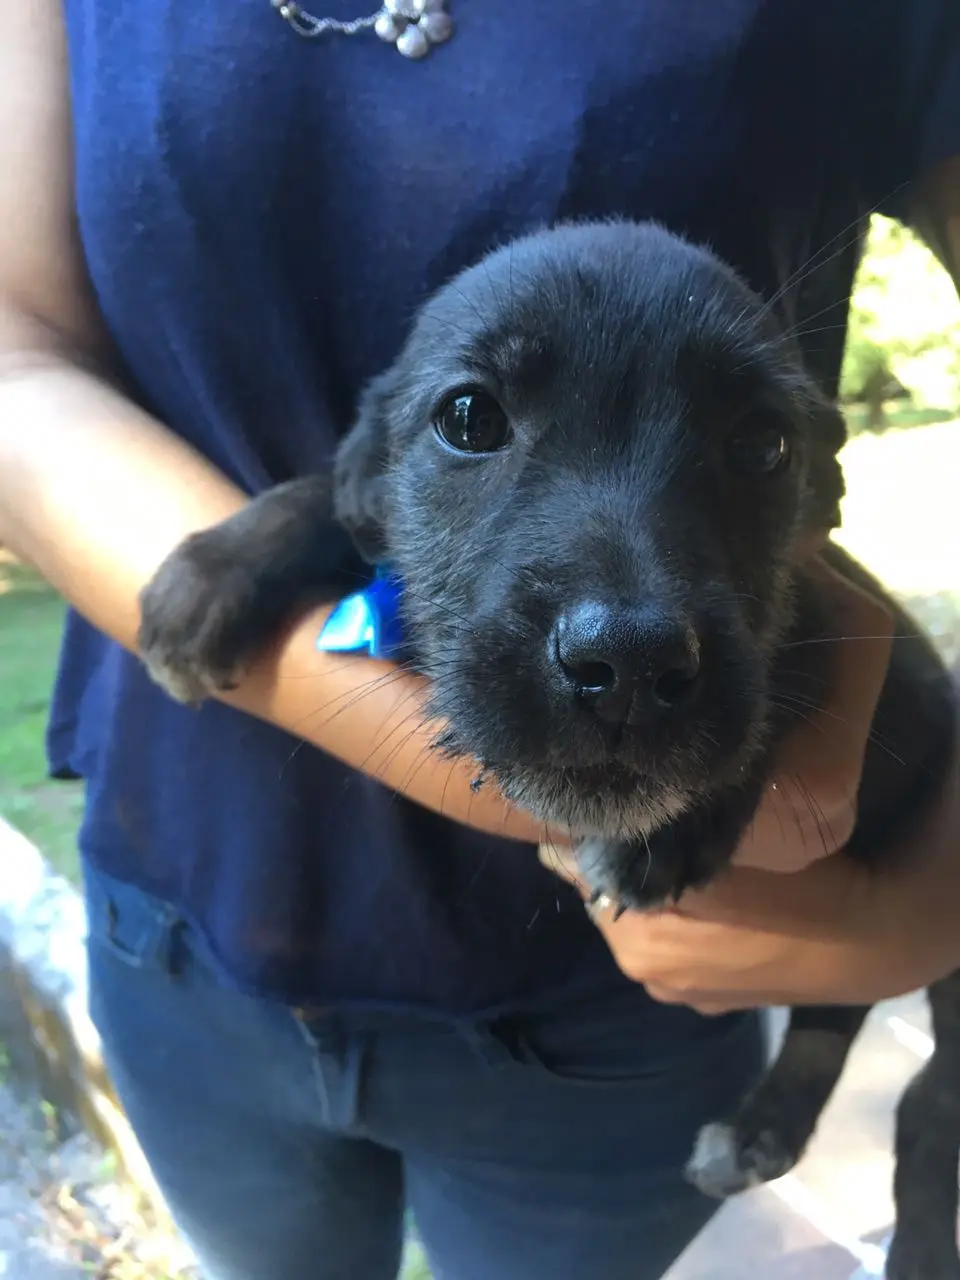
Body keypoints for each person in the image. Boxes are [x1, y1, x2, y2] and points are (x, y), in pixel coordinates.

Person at [0, 2, 958, 1277]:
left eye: (758, 443)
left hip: (613, 1023)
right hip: (182, 921)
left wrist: (941, 894)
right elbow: (14, 356)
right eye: (472, 418)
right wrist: (287, 537)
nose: (626, 623)